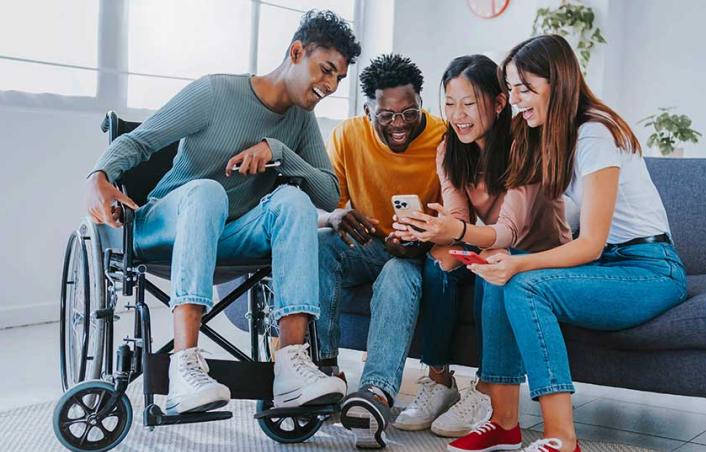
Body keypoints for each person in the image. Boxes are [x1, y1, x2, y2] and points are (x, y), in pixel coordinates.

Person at [83, 10, 361, 416]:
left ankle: (291, 366)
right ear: (296, 52)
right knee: (208, 192)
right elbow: (140, 142)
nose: (331, 86)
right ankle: (184, 366)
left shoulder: (301, 120)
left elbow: (329, 194)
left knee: (294, 201)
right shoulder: (215, 93)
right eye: (326, 70)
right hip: (166, 225)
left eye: (339, 78)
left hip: (230, 237)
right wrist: (98, 176)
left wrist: (279, 152)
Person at [446, 35, 688, 452]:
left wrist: (520, 264)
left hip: (650, 269)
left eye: (524, 88)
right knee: (498, 268)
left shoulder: (595, 134)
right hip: (609, 266)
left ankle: (562, 438)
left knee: (523, 282)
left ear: (556, 83)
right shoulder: (551, 135)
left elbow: (590, 243)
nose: (515, 99)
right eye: (511, 89)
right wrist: (504, 255)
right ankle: (503, 422)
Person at [389, 55, 569, 438]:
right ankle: (439, 381)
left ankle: (487, 388)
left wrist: (456, 229)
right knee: (439, 261)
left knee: (494, 264)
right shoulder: (450, 148)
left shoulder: (526, 142)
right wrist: (431, 229)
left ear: (500, 102)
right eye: (450, 103)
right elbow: (458, 217)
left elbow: (509, 232)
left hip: (540, 254)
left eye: (469, 104)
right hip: (495, 246)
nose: (458, 115)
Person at [315, 53, 448, 449]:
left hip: (415, 252)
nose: (399, 124)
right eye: (386, 116)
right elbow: (329, 204)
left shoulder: (443, 138)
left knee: (397, 274)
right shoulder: (347, 136)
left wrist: (418, 240)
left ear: (421, 101)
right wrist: (338, 216)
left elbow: (456, 214)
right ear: (367, 110)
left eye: (409, 112)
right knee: (320, 244)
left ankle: (376, 394)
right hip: (364, 243)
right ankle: (325, 373)